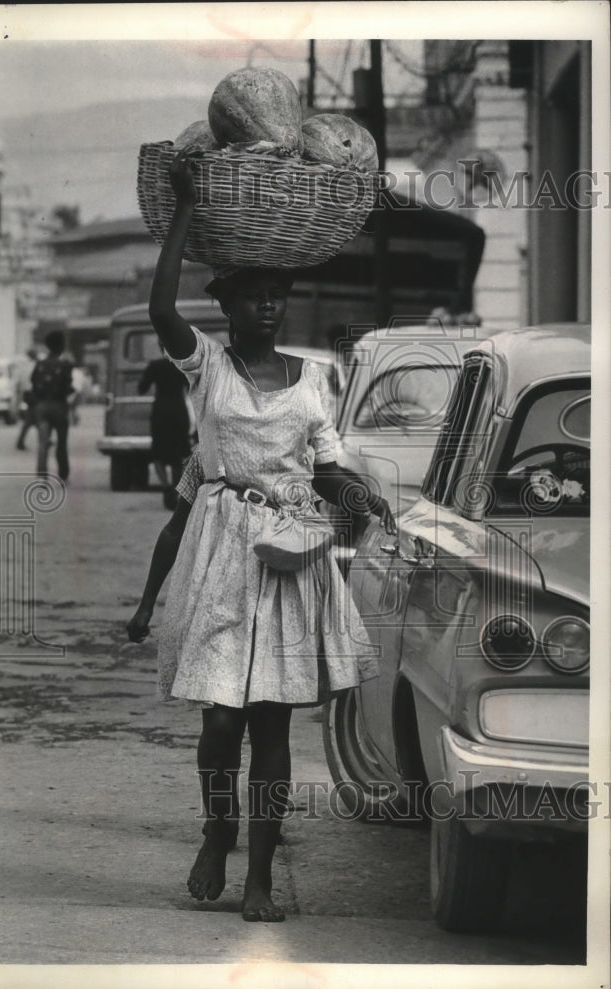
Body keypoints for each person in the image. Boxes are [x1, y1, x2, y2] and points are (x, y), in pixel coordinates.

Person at [141, 150, 395, 924]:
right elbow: (160, 309)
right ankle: (216, 832)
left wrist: (365, 498)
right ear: (227, 305)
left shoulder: (313, 380)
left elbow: (328, 469)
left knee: (272, 722)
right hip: (221, 552)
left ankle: (258, 876)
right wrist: (187, 208)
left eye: (278, 296)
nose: (269, 307)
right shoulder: (209, 369)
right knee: (220, 722)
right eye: (255, 296)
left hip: (288, 557)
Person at [138, 347, 192, 509]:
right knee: (178, 453)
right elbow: (191, 388)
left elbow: (142, 388)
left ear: (161, 347)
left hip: (160, 411)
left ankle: (165, 486)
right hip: (178, 411)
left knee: (158, 452)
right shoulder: (183, 365)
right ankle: (175, 489)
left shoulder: (155, 366)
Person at [30, 330, 75, 482]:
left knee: (43, 442)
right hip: (59, 407)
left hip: (41, 407)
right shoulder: (65, 365)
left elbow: (33, 383)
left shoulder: (40, 364)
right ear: (61, 346)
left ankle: (42, 475)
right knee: (61, 442)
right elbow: (68, 387)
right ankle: (63, 472)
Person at [15, 348, 42, 450]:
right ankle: (44, 439)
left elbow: (19, 382)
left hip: (27, 394)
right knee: (36, 418)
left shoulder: (24, 366)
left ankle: (21, 441)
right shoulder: (37, 365)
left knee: (31, 419)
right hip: (35, 393)